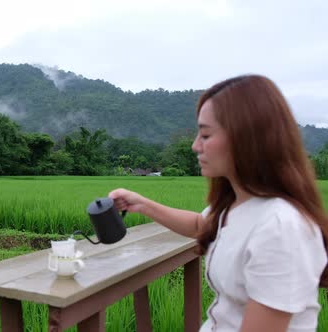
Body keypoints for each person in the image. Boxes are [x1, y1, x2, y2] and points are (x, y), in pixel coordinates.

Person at [109, 74, 328, 332]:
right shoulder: (236, 205)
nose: (194, 146)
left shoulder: (280, 228)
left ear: (246, 139)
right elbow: (201, 224)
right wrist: (141, 204)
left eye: (205, 135)